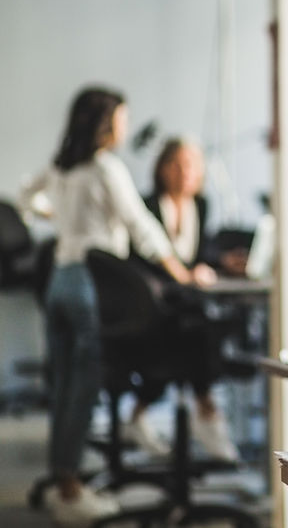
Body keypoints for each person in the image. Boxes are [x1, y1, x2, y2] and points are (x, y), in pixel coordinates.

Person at [19, 87, 204, 525]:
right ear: (104, 123)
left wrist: (57, 218)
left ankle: (62, 478)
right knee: (83, 386)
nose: (125, 126)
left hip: (58, 280)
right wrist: (178, 271)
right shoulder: (105, 168)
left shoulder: (63, 167)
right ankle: (70, 491)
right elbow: (141, 225)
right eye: (121, 118)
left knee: (63, 386)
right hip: (90, 283)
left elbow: (26, 196)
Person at [123, 137, 240, 461]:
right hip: (152, 302)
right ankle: (207, 411)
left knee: (193, 330)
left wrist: (218, 263)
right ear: (162, 168)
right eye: (177, 164)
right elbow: (142, 258)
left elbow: (197, 255)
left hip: (186, 302)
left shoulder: (201, 206)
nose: (184, 172)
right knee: (194, 333)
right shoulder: (145, 206)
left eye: (191, 165)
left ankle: (140, 414)